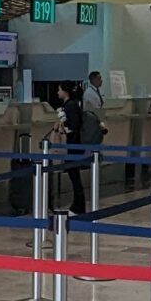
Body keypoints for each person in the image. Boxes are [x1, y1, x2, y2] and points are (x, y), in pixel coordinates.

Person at [56, 80, 88, 212]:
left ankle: (78, 206)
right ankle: (78, 205)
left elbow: (73, 125)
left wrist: (63, 126)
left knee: (75, 177)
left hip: (74, 146)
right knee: (74, 176)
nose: (57, 92)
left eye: (59, 90)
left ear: (65, 91)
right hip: (74, 145)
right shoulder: (72, 105)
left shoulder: (70, 106)